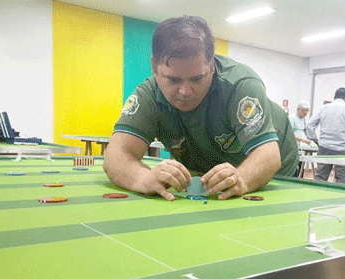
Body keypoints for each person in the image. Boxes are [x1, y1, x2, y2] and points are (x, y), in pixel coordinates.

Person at [103, 15, 298, 201]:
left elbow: (269, 156)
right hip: (207, 165)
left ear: (211, 66)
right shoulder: (148, 95)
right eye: (173, 79)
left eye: (197, 78)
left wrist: (243, 179)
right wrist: (143, 178)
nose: (185, 91)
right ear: (154, 67)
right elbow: (116, 155)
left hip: (274, 163)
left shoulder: (240, 84)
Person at [306, 87, 345, 183]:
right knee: (341, 179)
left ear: (334, 97)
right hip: (342, 149)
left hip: (324, 147)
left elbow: (309, 125)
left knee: (320, 177)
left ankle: (316, 196)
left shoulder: (323, 108)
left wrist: (315, 140)